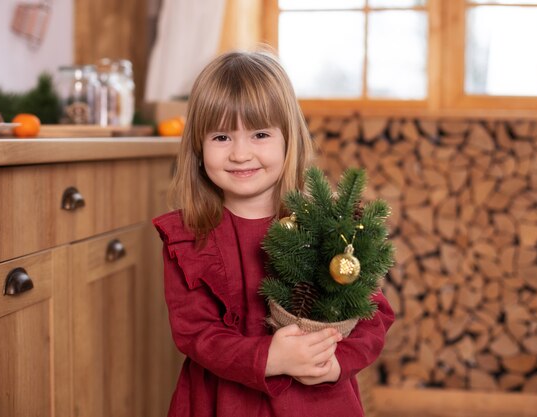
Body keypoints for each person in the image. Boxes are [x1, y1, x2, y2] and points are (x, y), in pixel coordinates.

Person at [153, 51, 394, 417]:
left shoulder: (327, 227)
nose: (240, 153)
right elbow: (195, 333)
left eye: (260, 134)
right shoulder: (189, 237)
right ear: (199, 148)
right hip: (223, 403)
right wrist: (269, 357)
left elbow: (372, 315)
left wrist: (334, 365)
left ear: (288, 139)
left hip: (315, 403)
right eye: (221, 137)